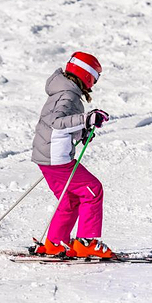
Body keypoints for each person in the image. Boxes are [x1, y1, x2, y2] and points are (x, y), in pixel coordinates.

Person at [31, 52, 113, 258]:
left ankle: (55, 244)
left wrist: (82, 130)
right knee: (93, 191)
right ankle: (86, 242)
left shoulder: (63, 91)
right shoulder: (67, 95)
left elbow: (62, 124)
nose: (94, 83)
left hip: (47, 155)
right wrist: (87, 119)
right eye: (95, 78)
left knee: (68, 200)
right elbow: (57, 123)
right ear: (87, 75)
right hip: (56, 157)